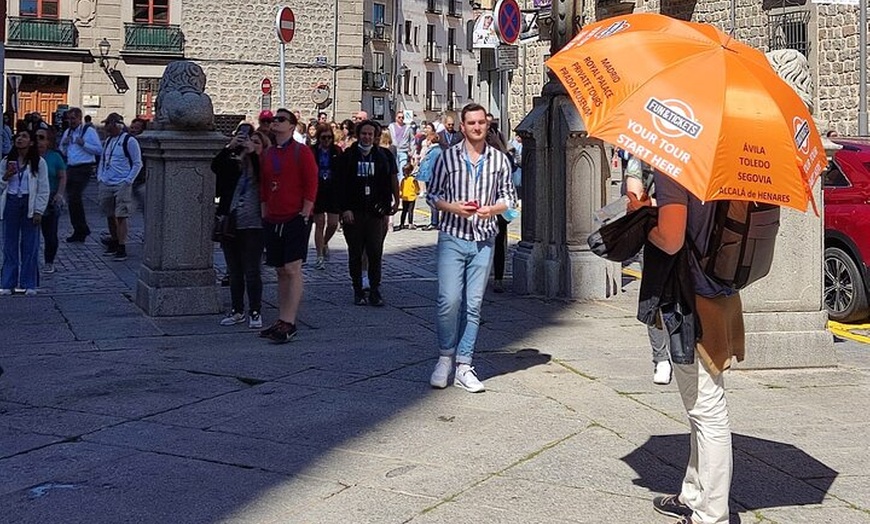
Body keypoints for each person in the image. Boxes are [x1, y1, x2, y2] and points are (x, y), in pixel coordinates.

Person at [647, 166, 745, 524]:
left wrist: (645, 222)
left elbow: (671, 238)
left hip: (693, 299)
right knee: (701, 407)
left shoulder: (676, 167)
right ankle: (693, 493)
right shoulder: (728, 168)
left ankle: (712, 515)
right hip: (722, 294)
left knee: (708, 411)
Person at [427, 103, 517, 393]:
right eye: (472, 123)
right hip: (453, 236)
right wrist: (453, 207)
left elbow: (509, 198)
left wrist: (494, 209)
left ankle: (464, 364)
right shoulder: (447, 158)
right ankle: (445, 357)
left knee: (474, 304)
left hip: (484, 239)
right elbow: (432, 195)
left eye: (482, 122)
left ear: (487, 125)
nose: (477, 127)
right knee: (449, 300)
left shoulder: (499, 161)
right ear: (462, 127)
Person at [258, 108, 318, 343]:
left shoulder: (301, 152)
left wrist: (306, 210)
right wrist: (264, 208)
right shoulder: (269, 153)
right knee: (280, 270)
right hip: (273, 216)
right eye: (274, 119)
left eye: (281, 119)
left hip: (295, 216)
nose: (276, 122)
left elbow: (311, 181)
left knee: (292, 269)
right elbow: (264, 183)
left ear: (292, 126)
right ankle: (282, 318)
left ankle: (290, 321)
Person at [336, 119, 399, 306]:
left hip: (376, 212)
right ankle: (357, 289)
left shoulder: (384, 156)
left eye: (370, 134)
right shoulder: (348, 156)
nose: (367, 137)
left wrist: (396, 200)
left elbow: (392, 178)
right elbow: (340, 186)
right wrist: (344, 209)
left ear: (375, 136)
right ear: (358, 135)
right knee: (355, 253)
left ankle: (374, 289)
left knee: (375, 252)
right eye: (364, 133)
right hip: (354, 212)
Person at [211, 127, 269, 329]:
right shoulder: (235, 165)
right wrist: (230, 147)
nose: (251, 144)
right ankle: (237, 310)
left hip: (253, 224)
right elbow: (215, 166)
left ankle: (255, 310)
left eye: (257, 142)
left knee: (252, 270)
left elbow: (262, 172)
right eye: (249, 140)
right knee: (234, 271)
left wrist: (253, 153)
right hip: (232, 222)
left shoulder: (263, 166)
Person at [624, 154, 673, 385]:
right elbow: (635, 198)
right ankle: (661, 357)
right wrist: (654, 203)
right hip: (654, 233)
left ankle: (683, 348)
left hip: (690, 232)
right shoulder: (643, 154)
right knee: (655, 295)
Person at [0, 130, 50, 295]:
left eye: (24, 137)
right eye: (18, 137)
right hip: (12, 202)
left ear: (31, 143)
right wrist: (6, 177)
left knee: (30, 245)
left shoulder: (39, 162)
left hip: (29, 202)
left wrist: (38, 210)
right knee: (9, 245)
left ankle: (29, 283)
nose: (20, 139)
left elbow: (43, 188)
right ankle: (8, 283)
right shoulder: (7, 161)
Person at [96, 113, 143, 262]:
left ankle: (122, 246)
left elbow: (137, 163)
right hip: (106, 182)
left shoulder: (129, 141)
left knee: (121, 216)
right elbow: (103, 159)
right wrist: (100, 177)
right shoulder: (109, 140)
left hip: (121, 183)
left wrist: (128, 181)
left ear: (116, 125)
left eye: (108, 124)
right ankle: (114, 242)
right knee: (109, 214)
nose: (106, 127)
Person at [59, 107, 102, 242]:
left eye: (73, 118)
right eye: (69, 118)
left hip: (84, 167)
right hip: (70, 167)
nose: (71, 121)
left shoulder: (88, 131)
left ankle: (80, 229)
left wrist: (84, 144)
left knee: (74, 197)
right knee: (72, 200)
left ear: (79, 118)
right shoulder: (67, 132)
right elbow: (63, 150)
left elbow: (98, 149)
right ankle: (80, 229)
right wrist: (64, 145)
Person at [311, 123, 342, 270]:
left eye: (329, 137)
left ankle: (324, 242)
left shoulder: (336, 151)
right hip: (318, 190)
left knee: (333, 223)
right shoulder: (312, 151)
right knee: (320, 223)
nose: (327, 140)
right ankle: (319, 256)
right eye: (324, 138)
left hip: (333, 189)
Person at [36, 128, 67, 274]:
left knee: (50, 234)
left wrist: (60, 194)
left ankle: (49, 261)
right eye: (36, 137)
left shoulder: (55, 157)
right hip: (32, 197)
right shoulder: (29, 156)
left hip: (50, 197)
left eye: (42, 138)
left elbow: (62, 176)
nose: (38, 141)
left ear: (49, 141)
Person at [128, 117, 148, 215]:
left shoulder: (145, 145)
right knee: (125, 212)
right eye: (132, 127)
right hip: (130, 182)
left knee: (148, 211)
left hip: (143, 182)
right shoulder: (127, 142)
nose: (133, 130)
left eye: (136, 128)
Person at [398, 162, 420, 230]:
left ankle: (402, 224)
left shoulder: (403, 180)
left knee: (404, 211)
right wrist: (417, 192)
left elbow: (400, 188)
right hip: (412, 197)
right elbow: (417, 188)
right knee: (410, 211)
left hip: (404, 197)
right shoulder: (413, 179)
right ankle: (410, 224)